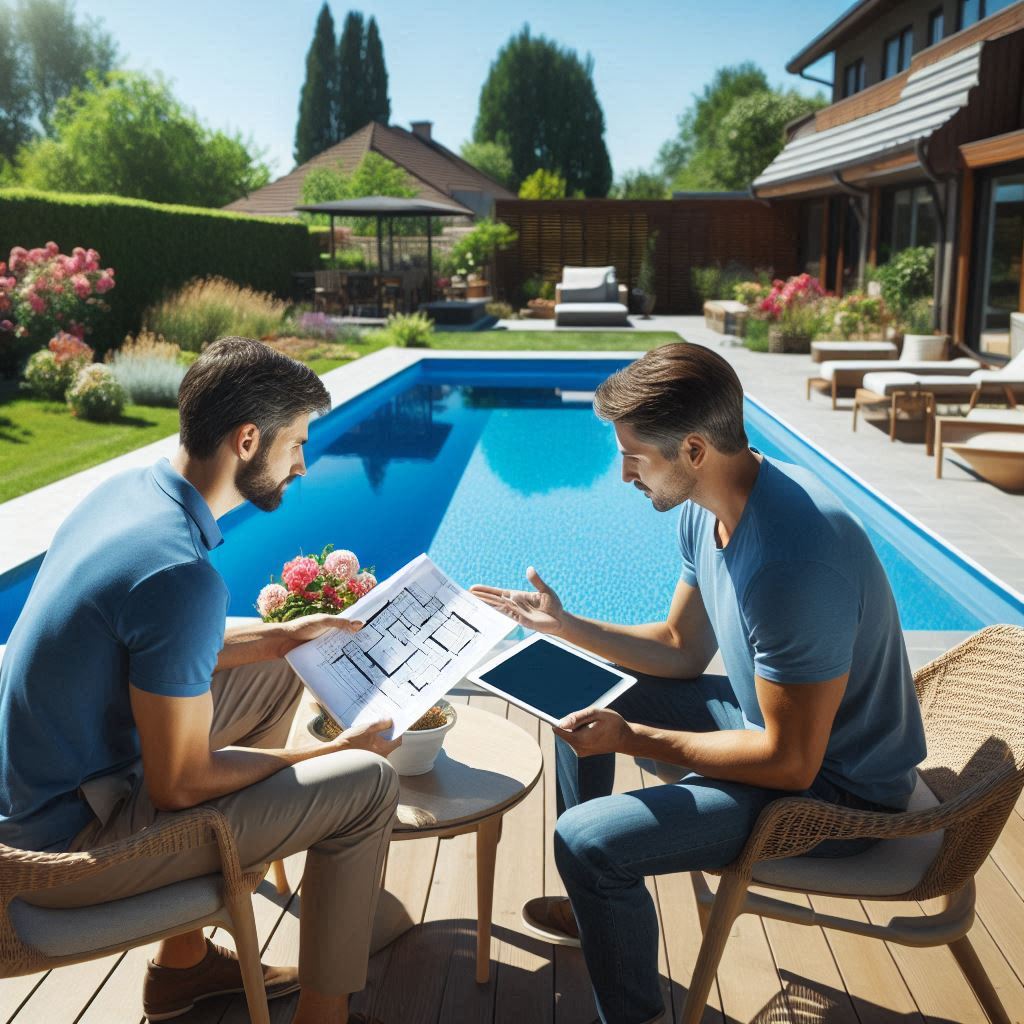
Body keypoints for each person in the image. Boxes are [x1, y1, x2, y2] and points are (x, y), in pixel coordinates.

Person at [471, 342, 926, 1024]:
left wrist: (634, 738)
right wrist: (563, 626)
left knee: (587, 844)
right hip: (766, 727)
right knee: (581, 690)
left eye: (634, 456)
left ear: (690, 450)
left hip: (840, 793)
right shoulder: (711, 502)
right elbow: (682, 650)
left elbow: (790, 763)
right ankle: (595, 906)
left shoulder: (793, 560)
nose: (623, 474)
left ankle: (631, 995)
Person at [0, 337, 400, 1024]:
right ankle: (323, 1015)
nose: (303, 464)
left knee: (280, 672)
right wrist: (332, 756)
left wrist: (278, 638)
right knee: (367, 787)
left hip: (41, 793)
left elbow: (141, 641)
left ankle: (183, 966)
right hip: (57, 859)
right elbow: (179, 784)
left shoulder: (127, 494)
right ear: (249, 439)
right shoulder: (180, 577)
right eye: (297, 444)